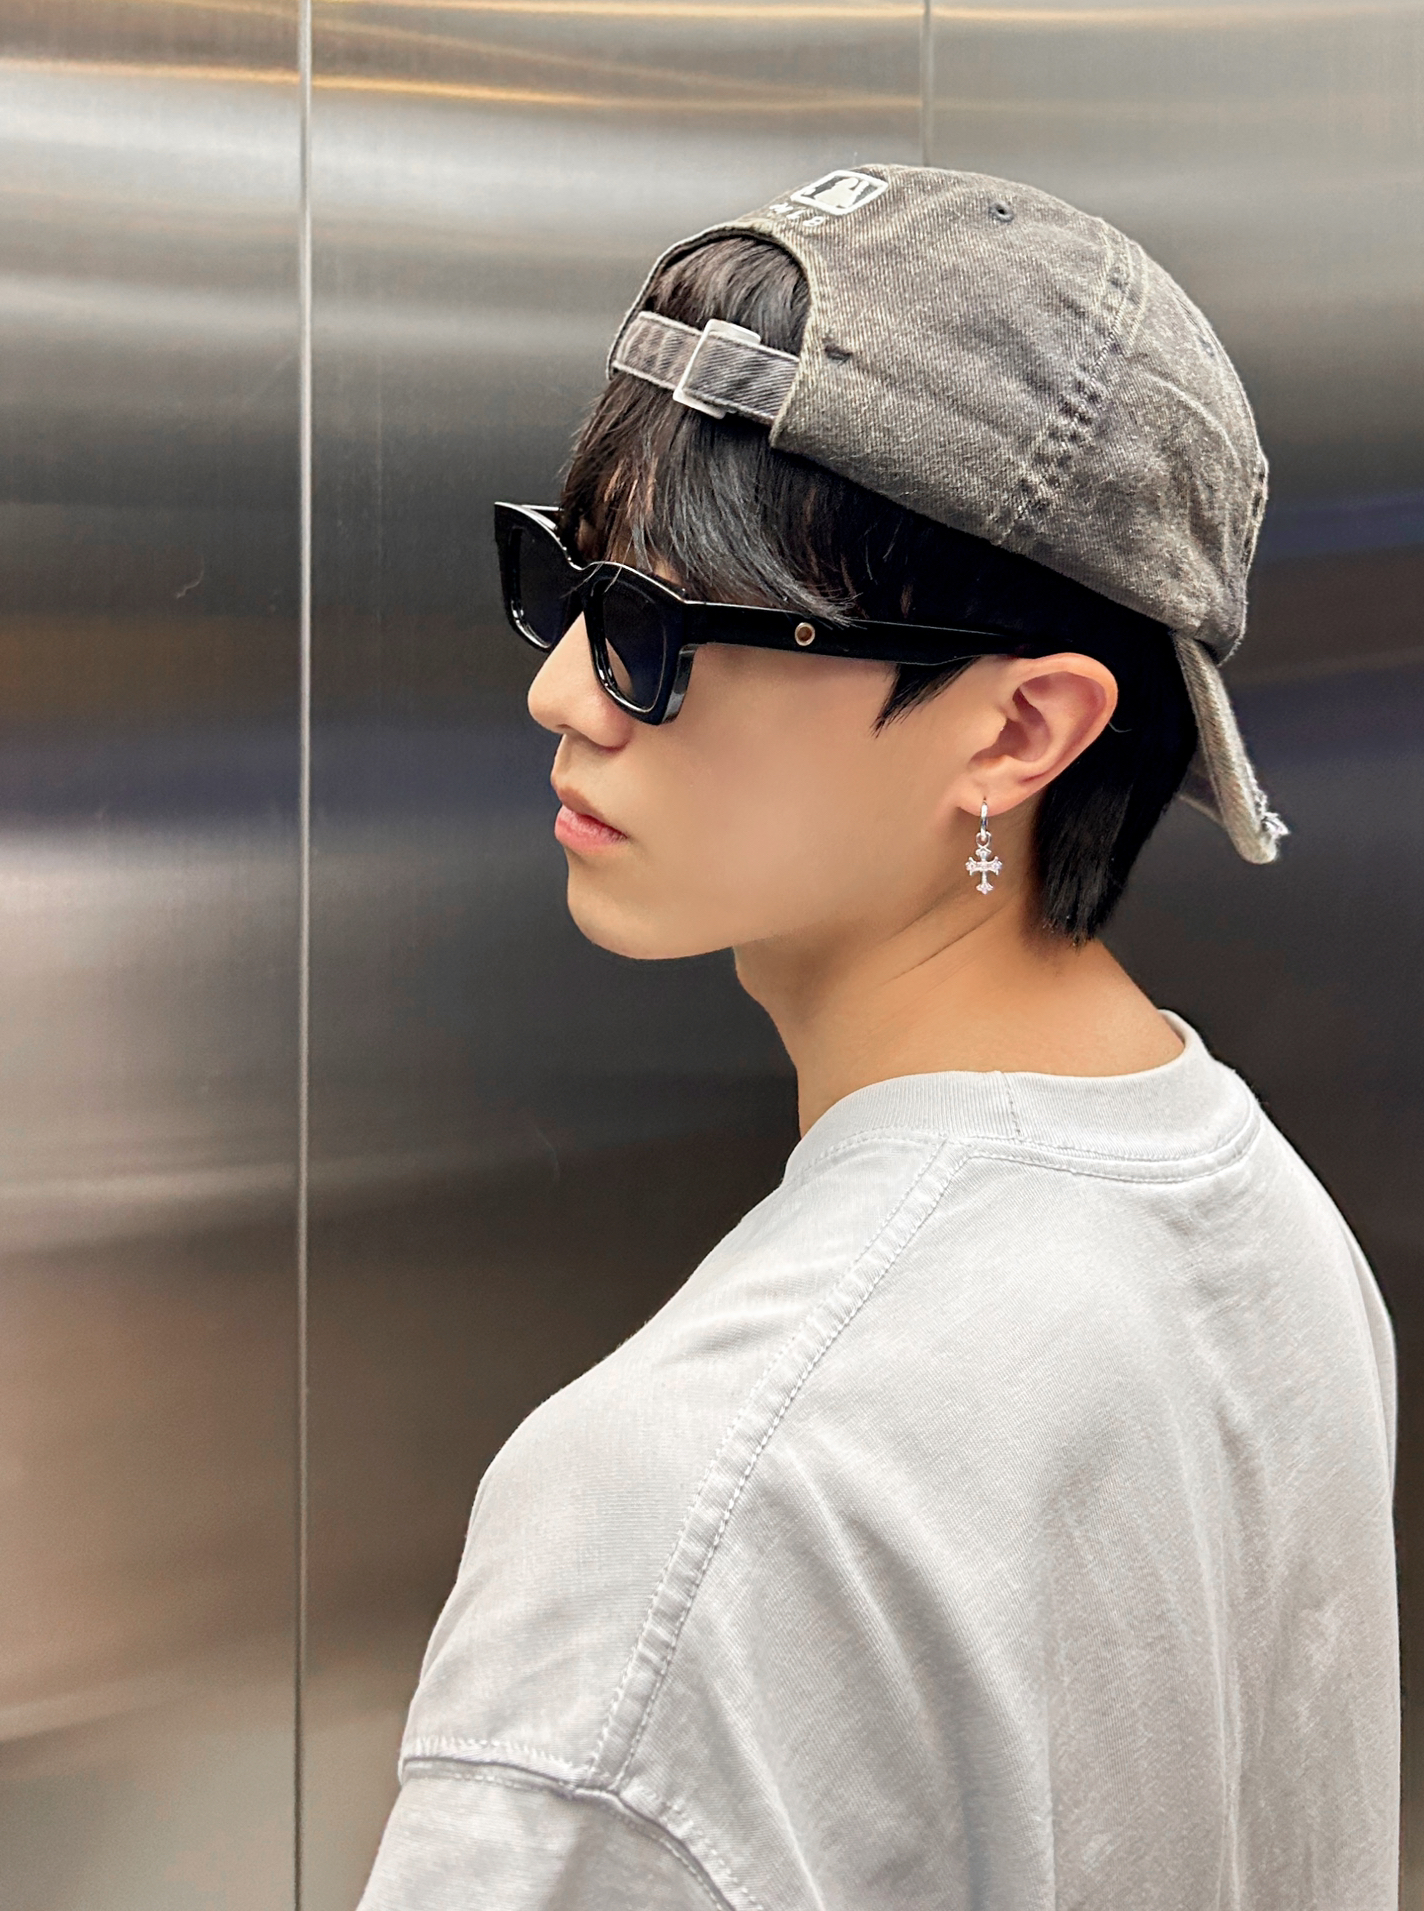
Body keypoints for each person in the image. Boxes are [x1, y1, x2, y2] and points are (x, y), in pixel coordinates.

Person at [360, 165, 1398, 1910]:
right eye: (566, 585)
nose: (559, 694)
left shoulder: (686, 1508)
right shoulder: (1272, 1228)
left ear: (1018, 732)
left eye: (658, 634)